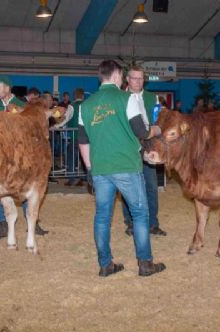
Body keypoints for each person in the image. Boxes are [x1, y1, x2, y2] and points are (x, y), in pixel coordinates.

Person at [78, 59, 165, 277]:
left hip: (100, 169)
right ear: (117, 76)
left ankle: (105, 264)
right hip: (126, 165)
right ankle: (145, 264)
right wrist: (156, 129)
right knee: (140, 214)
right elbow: (142, 132)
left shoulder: (86, 106)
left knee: (102, 217)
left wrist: (90, 168)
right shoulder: (128, 99)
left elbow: (83, 141)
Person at [0, 75, 48, 238]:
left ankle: (33, 223)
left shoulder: (24, 105)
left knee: (28, 184)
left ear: (7, 88)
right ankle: (3, 224)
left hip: (22, 153)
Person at [122, 65, 166, 236]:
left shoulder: (152, 98)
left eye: (141, 78)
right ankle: (131, 223)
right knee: (129, 188)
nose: (138, 81)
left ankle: (153, 223)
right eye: (134, 78)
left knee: (151, 187)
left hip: (148, 145)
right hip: (129, 146)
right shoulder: (121, 98)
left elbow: (157, 120)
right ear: (127, 79)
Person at [64, 88, 86, 186]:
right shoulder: (87, 105)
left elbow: (65, 119)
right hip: (86, 137)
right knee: (85, 157)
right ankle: (85, 176)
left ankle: (72, 177)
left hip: (75, 136)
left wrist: (56, 126)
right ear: (83, 96)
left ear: (74, 96)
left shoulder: (71, 106)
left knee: (71, 156)